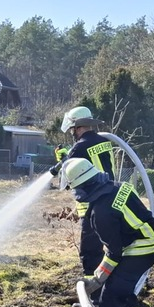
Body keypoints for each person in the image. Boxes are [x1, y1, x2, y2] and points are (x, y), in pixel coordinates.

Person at [63, 157, 154, 307]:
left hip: (143, 248)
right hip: (152, 239)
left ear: (82, 188)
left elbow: (114, 253)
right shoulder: (117, 186)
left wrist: (97, 279)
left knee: (110, 294)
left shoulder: (100, 212)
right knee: (122, 286)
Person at [50, 107, 117, 283]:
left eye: (72, 129)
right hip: (112, 200)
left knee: (90, 252)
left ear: (78, 127)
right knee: (114, 249)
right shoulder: (104, 141)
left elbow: (67, 183)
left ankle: (93, 293)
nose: (72, 132)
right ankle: (114, 288)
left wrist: (63, 159)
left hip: (91, 206)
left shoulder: (79, 148)